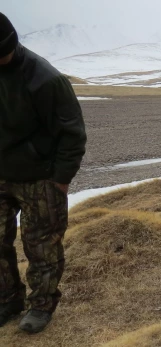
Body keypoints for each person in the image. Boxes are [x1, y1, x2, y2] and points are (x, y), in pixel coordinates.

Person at [0, 13, 87, 333]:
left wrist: (60, 179)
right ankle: (7, 300)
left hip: (40, 177)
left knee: (41, 245)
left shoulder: (45, 79)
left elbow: (72, 133)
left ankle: (41, 305)